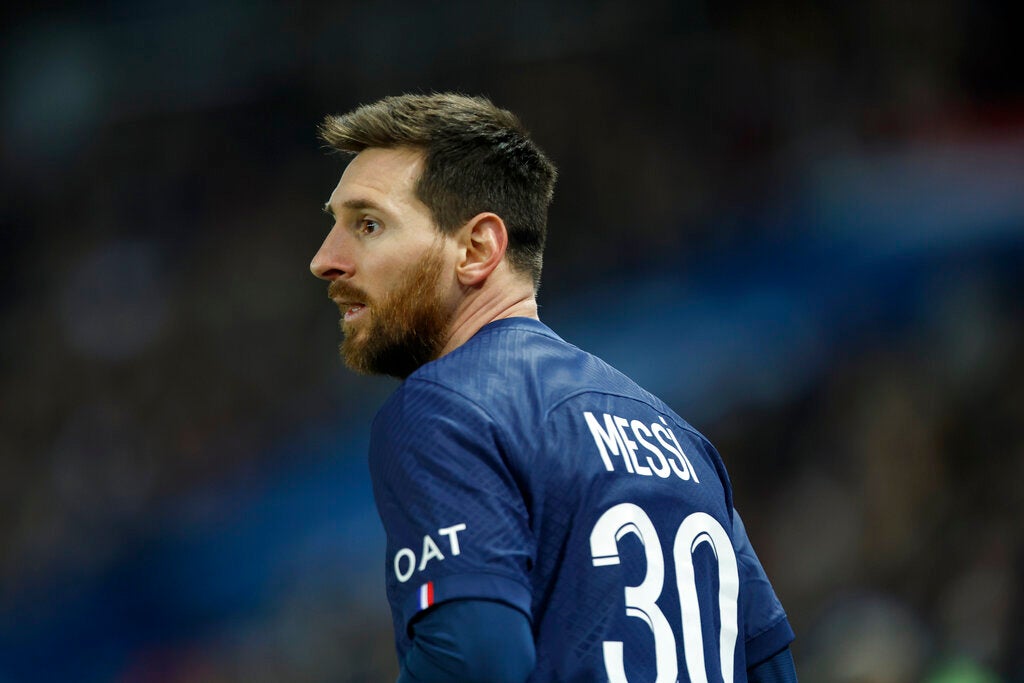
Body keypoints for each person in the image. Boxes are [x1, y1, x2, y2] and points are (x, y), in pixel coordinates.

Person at [310, 93, 797, 682]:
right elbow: (771, 665)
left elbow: (476, 657)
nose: (324, 259)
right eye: (334, 225)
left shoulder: (446, 408)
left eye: (367, 224)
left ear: (477, 249)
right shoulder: (681, 441)